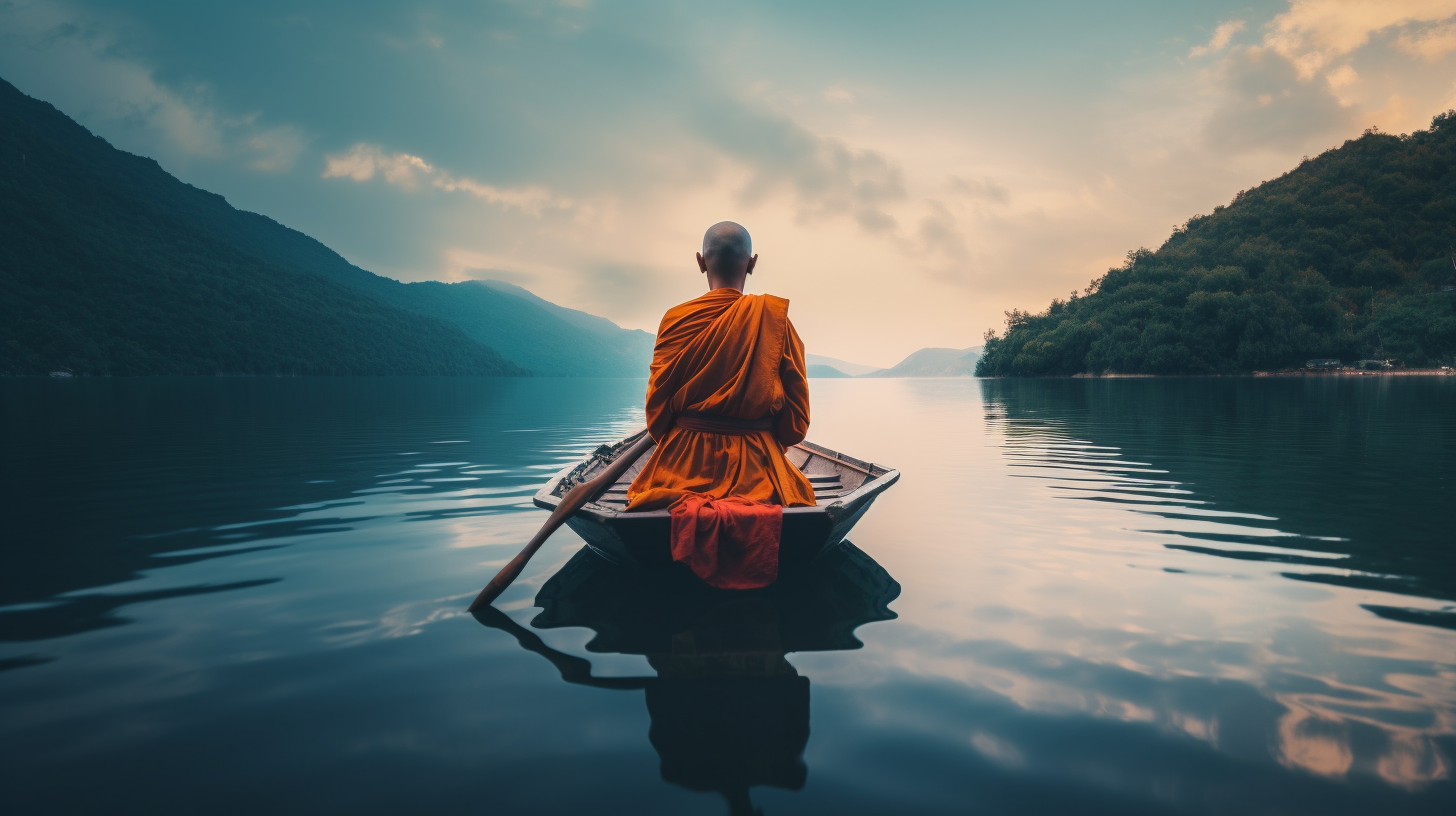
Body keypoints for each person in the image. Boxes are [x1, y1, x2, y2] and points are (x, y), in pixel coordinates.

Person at [625, 221, 816, 588]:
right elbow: (796, 425)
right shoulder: (775, 323)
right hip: (759, 473)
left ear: (700, 262)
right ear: (752, 263)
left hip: (679, 467)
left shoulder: (675, 319)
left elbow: (656, 416)